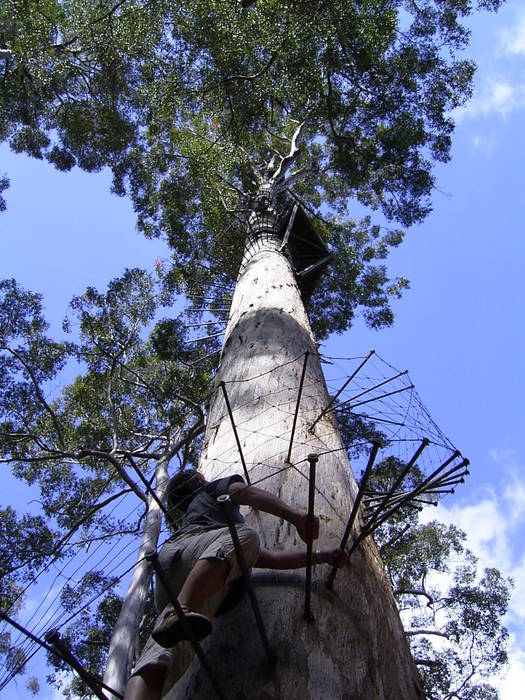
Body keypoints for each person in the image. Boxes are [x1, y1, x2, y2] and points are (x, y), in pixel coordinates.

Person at [124, 469, 348, 700]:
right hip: (196, 555)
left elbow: (268, 559)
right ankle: (180, 610)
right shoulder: (212, 490)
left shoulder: (198, 518)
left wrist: (321, 555)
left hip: (172, 574)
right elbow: (245, 493)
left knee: (159, 652)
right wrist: (296, 518)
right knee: (246, 536)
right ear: (200, 481)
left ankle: (174, 618)